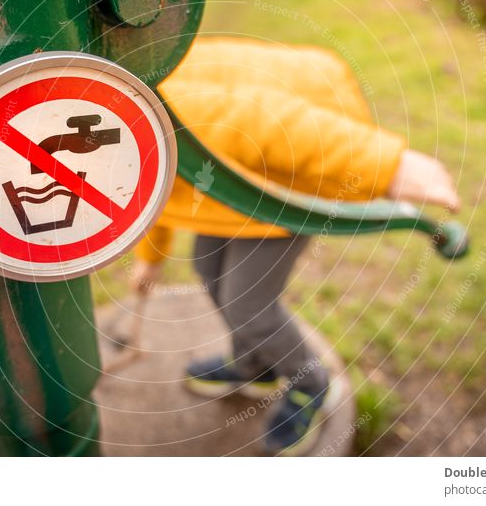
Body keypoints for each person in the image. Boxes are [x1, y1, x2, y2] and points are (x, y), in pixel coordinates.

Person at [130, 36, 460, 456]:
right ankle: (254, 366)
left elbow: (273, 125)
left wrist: (387, 165)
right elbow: (145, 186)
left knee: (251, 307)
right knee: (208, 267)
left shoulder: (174, 105)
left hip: (285, 184)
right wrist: (151, 259)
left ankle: (310, 385)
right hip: (228, 186)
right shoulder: (123, 103)